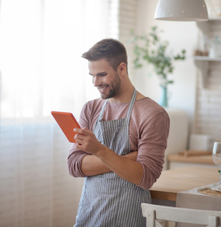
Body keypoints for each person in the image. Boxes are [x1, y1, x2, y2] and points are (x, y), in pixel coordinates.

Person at [67, 38, 170, 227]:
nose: (95, 82)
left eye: (102, 75)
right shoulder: (90, 109)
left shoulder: (153, 114)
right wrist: (130, 158)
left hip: (129, 219)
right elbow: (74, 165)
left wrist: (99, 151)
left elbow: (145, 177)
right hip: (89, 218)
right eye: (92, 75)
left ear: (122, 69)